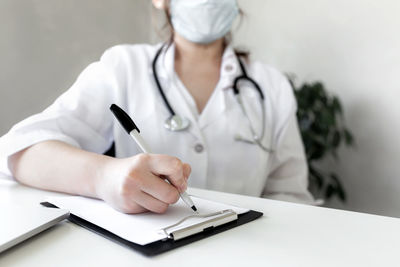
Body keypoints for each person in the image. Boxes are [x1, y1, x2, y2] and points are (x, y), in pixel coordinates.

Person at [0, 0, 313, 214]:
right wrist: (104, 176)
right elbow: (16, 151)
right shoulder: (122, 67)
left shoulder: (271, 86)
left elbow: (291, 197)